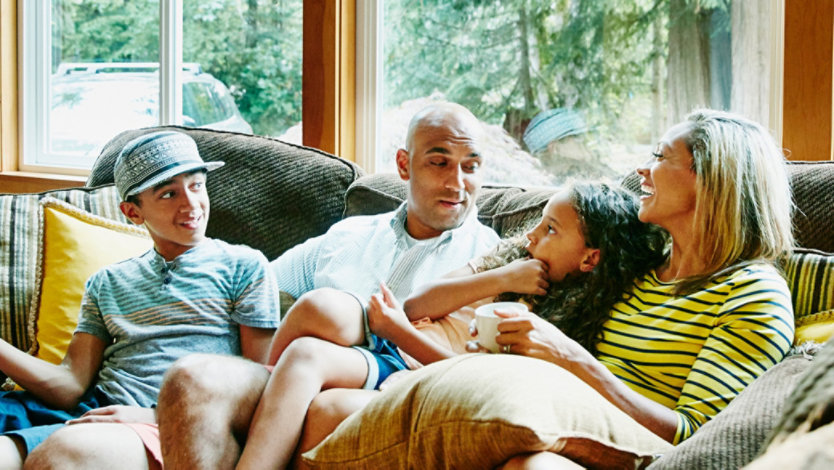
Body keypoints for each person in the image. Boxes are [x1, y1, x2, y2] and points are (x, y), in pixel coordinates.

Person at [295, 108, 797, 469]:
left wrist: (569, 358)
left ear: (711, 183)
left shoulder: (753, 294)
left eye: (661, 157)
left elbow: (697, 437)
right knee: (328, 410)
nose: (641, 170)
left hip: (631, 442)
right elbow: (536, 248)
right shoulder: (644, 265)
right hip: (549, 411)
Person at [154, 101, 501, 469]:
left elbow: (483, 374)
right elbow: (250, 290)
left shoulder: (489, 262)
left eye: (471, 166)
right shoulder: (349, 236)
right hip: (287, 382)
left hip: (379, 392)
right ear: (404, 164)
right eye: (440, 162)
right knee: (189, 379)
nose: (457, 183)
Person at [233, 181, 668, 469]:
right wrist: (503, 276)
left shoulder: (552, 328)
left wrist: (399, 330)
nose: (532, 235)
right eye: (538, 223)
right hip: (396, 354)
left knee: (325, 402)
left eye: (551, 229)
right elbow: (421, 300)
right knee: (307, 350)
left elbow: (465, 381)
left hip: (422, 376)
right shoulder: (508, 260)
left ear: (590, 258)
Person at [19, 131, 281, 470]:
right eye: (169, 193)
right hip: (96, 412)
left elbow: (260, 380)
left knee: (62, 457)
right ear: (132, 212)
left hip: (175, 424)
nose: (190, 203)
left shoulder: (244, 266)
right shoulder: (107, 282)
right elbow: (70, 384)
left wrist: (155, 414)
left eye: (197, 185)